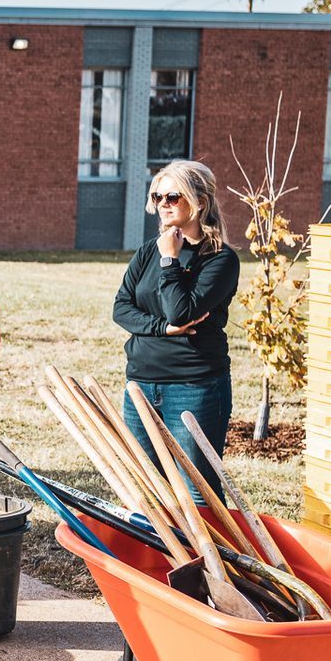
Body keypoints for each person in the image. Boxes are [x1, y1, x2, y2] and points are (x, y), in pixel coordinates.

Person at [112, 160, 240, 498]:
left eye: (172, 196)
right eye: (157, 197)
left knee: (198, 492)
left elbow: (181, 311)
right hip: (141, 383)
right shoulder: (146, 253)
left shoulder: (220, 260)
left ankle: (208, 553)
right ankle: (159, 552)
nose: (162, 205)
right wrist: (163, 329)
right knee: (149, 489)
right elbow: (121, 308)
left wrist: (170, 260)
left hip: (193, 386)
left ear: (199, 201)